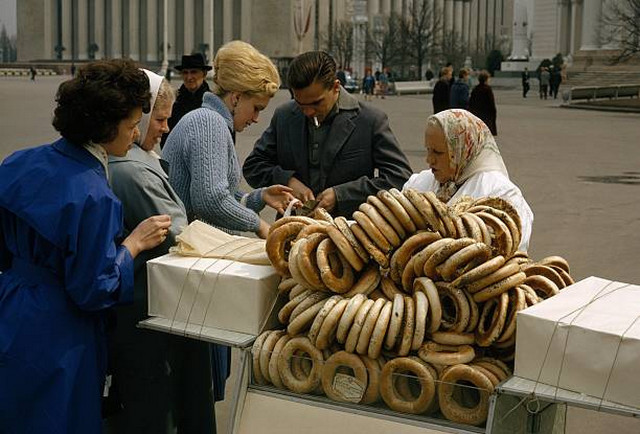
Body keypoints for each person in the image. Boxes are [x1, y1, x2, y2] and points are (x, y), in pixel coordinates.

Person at [0, 59, 171, 433]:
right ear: (106, 127)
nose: (134, 133)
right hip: (60, 331)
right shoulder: (93, 194)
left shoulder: (18, 162)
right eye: (130, 126)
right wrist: (133, 245)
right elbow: (93, 288)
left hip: (11, 307)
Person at [107, 70, 214, 433]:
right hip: (148, 312)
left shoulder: (141, 160)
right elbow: (178, 235)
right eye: (160, 118)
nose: (164, 129)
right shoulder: (133, 170)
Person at [242, 51, 412, 217]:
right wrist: (288, 181)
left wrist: (341, 195)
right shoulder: (284, 115)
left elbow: (399, 177)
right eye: (301, 104)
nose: (308, 112)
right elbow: (253, 166)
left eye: (316, 103)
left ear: (336, 87)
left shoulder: (370, 120)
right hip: (292, 232)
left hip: (350, 235)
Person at [163, 40, 294, 239]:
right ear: (236, 98)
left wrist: (261, 196)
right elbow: (211, 202)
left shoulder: (209, 120)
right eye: (256, 108)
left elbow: (223, 197)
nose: (256, 118)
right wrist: (259, 224)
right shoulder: (209, 123)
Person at [404, 109, 533, 251]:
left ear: (462, 150)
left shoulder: (500, 193)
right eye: (428, 150)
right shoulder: (418, 184)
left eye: (438, 152)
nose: (429, 160)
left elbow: (512, 250)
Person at [161, 53, 212, 147]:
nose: (189, 77)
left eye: (193, 72)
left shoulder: (213, 102)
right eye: (185, 72)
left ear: (204, 74)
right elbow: (165, 134)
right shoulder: (173, 101)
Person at [469, 70, 498, 136]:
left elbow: (471, 102)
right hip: (486, 116)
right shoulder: (488, 89)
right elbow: (491, 104)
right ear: (486, 79)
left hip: (477, 115)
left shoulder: (475, 89)